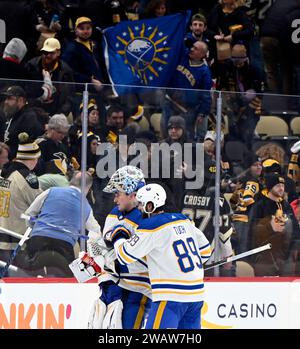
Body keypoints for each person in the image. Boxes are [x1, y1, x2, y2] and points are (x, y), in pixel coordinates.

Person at [106, 183, 211, 329]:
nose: (140, 208)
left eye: (142, 205)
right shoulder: (184, 220)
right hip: (196, 295)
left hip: (171, 297)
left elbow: (124, 256)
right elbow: (205, 251)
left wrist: (118, 235)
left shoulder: (151, 226)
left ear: (150, 206)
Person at [85, 165, 152, 329]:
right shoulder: (115, 213)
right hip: (112, 287)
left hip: (137, 290)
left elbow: (144, 260)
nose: (115, 199)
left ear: (132, 194)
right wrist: (92, 260)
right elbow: (106, 244)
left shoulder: (146, 220)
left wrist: (117, 263)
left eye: (118, 193)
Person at [23, 171, 101, 277]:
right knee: (64, 282)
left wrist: (34, 231)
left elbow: (29, 213)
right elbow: (96, 232)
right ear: (88, 188)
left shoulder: (51, 191)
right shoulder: (86, 206)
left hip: (38, 240)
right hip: (64, 246)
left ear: (71, 181)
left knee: (29, 278)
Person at [0, 133, 41, 268]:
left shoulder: (3, 172)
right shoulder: (27, 178)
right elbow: (39, 206)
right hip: (16, 242)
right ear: (32, 158)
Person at [248, 173, 300, 276]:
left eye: (282, 185)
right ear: (270, 187)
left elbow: (295, 229)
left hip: (286, 255)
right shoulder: (260, 206)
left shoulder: (286, 206)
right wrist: (269, 226)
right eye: (277, 186)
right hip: (266, 256)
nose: (281, 188)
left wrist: (295, 245)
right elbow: (252, 232)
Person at [1, 85, 45, 159]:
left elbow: (28, 148)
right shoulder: (14, 115)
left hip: (22, 164)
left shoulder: (29, 118)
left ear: (20, 100)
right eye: (6, 99)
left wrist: (8, 149)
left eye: (9, 98)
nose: (6, 102)